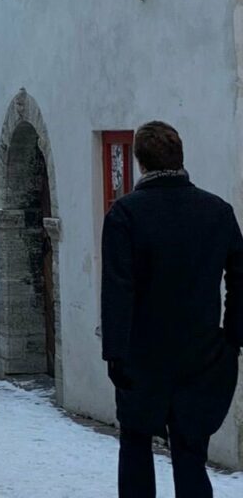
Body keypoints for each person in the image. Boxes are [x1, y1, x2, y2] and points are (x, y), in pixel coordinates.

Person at [102, 121, 243, 498]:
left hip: (142, 357)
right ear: (180, 158)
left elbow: (118, 288)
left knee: (134, 447)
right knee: (190, 455)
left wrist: (115, 353)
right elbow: (241, 278)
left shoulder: (126, 215)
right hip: (202, 356)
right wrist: (233, 338)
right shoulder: (217, 212)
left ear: (140, 163)